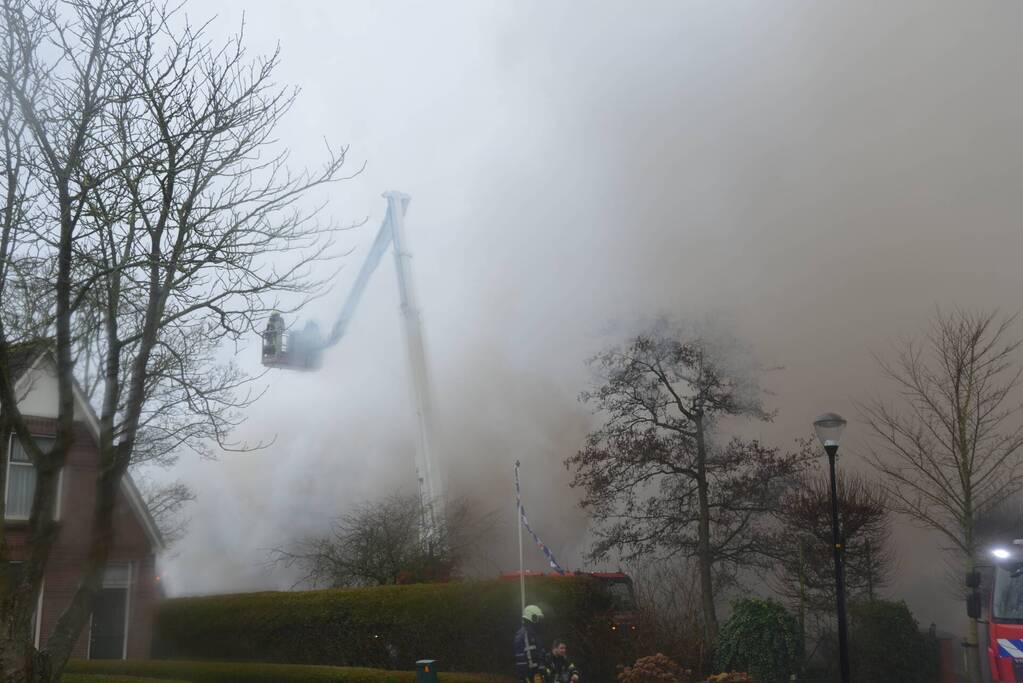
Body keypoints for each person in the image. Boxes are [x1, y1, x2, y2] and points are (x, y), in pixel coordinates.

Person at [514, 604, 550, 683]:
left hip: (527, 674)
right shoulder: (527, 633)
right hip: (531, 675)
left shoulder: (527, 632)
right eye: (538, 618)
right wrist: (538, 671)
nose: (540, 621)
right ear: (532, 617)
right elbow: (530, 655)